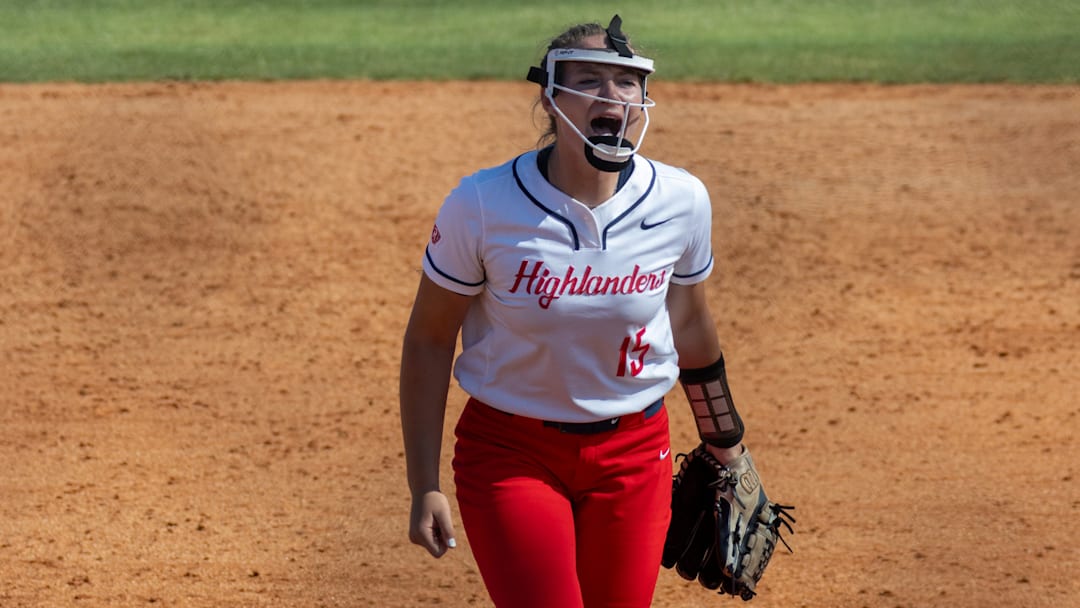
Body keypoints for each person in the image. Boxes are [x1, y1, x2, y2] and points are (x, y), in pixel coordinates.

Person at [400, 15, 764, 608]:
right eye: (589, 80)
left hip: (636, 456)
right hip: (511, 454)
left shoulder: (681, 201)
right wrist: (423, 486)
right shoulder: (484, 205)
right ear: (550, 96)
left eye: (625, 83)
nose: (611, 96)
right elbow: (429, 340)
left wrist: (726, 443)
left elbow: (690, 325)